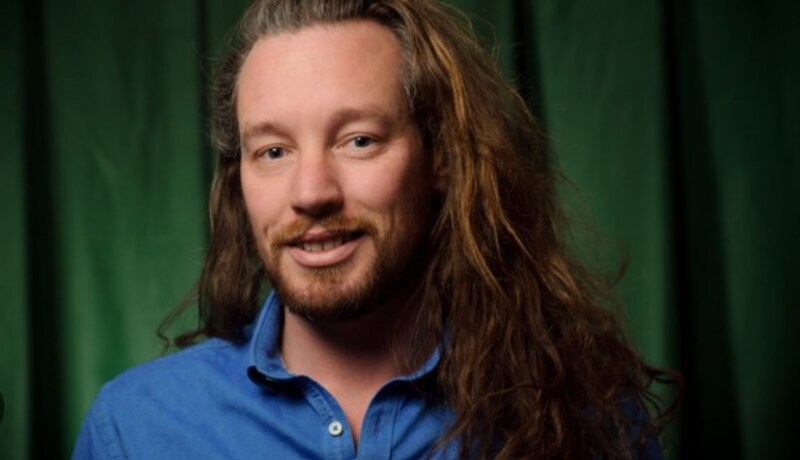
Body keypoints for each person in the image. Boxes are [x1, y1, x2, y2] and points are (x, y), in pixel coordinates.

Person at [73, 0, 679, 459]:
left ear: (441, 159)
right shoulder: (134, 429)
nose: (311, 192)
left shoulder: (583, 416)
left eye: (358, 140)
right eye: (273, 151)